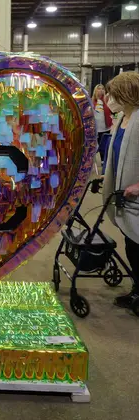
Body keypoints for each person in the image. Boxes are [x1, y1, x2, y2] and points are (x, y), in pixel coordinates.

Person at [103, 71, 139, 308]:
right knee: (131, 245)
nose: (110, 100)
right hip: (123, 193)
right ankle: (137, 289)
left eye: (114, 95)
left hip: (135, 194)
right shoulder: (122, 120)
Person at [92, 84, 112, 164]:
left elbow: (113, 111)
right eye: (98, 89)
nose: (101, 90)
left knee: (104, 146)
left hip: (105, 128)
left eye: (102, 89)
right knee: (96, 146)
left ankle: (104, 162)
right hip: (95, 129)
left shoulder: (107, 100)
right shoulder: (92, 101)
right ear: (95, 91)